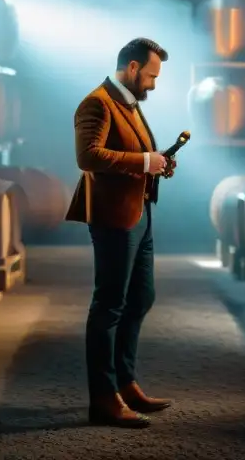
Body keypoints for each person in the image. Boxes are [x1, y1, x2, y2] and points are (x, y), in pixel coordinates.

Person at [66, 37, 175, 428]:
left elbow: (135, 153)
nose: (153, 84)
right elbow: (88, 156)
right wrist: (145, 160)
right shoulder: (96, 102)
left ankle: (125, 383)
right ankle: (103, 398)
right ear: (131, 68)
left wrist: (157, 163)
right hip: (113, 216)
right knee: (109, 304)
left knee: (141, 296)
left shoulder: (127, 102)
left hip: (139, 212)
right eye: (150, 75)